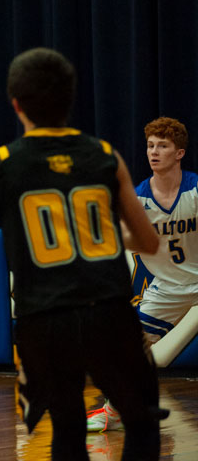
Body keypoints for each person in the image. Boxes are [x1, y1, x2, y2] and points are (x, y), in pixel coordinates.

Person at [0, 47, 163, 460]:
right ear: (70, 99)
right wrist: (95, 233)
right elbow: (149, 242)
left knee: (67, 430)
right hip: (108, 310)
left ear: (16, 105)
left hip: (45, 319)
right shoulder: (106, 156)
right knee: (141, 422)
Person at [86, 116, 198, 432]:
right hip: (169, 288)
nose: (154, 151)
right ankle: (116, 411)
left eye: (163, 145)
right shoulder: (138, 200)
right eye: (150, 145)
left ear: (179, 153)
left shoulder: (195, 191)